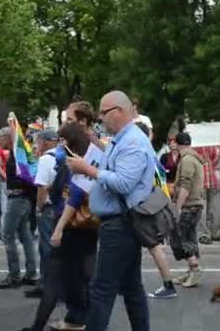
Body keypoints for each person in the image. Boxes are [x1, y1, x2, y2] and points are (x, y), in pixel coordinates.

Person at [67, 91, 154, 331]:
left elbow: (124, 183)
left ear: (120, 111)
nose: (100, 118)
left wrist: (88, 169)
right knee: (130, 286)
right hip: (119, 222)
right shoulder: (123, 139)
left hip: (120, 223)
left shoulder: (133, 142)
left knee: (101, 289)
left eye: (104, 113)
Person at [22, 122, 99, 331]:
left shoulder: (71, 164)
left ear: (67, 141)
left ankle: (38, 327)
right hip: (89, 228)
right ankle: (83, 320)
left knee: (53, 282)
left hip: (68, 229)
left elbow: (67, 196)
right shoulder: (91, 161)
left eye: (61, 139)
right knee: (86, 278)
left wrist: (58, 228)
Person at [133, 122, 178, 299]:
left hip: (146, 206)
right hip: (156, 204)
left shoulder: (142, 156)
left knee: (153, 246)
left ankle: (168, 284)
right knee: (142, 246)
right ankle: (130, 282)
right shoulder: (151, 155)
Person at [0, 126, 39, 290]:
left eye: (0, 139)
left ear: (7, 137)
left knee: (7, 234)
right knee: (25, 235)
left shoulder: (18, 153)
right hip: (22, 197)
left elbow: (27, 175)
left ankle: (14, 275)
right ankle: (31, 272)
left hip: (18, 198)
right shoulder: (18, 153)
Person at [25, 129, 59, 298]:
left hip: (48, 209)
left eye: (38, 142)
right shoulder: (64, 155)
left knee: (46, 247)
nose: (37, 146)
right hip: (62, 208)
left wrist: (38, 209)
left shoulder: (46, 159)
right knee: (58, 248)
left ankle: (46, 284)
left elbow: (41, 187)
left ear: (45, 142)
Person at [169, 132, 205, 288]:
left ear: (177, 144)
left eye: (172, 142)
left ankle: (195, 269)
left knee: (180, 238)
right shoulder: (193, 157)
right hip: (194, 204)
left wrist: (178, 206)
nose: (171, 144)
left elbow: (186, 185)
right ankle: (191, 271)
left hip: (189, 205)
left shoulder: (187, 159)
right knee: (189, 237)